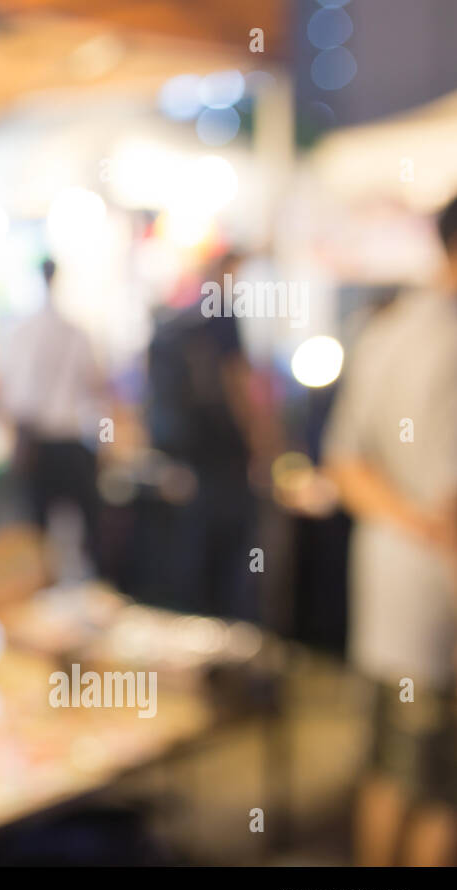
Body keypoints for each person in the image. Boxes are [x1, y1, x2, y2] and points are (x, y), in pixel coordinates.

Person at [322, 194, 457, 867]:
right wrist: (431, 527)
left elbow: (345, 463)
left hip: (397, 590)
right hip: (429, 596)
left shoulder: (388, 329)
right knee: (435, 789)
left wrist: (407, 520)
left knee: (396, 769)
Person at [144, 250, 268, 620]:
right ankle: (228, 636)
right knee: (234, 559)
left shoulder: (179, 321)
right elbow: (240, 385)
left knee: (196, 553)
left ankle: (197, 627)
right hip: (226, 458)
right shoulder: (222, 316)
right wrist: (264, 445)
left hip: (189, 459)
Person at [0, 258, 105, 570]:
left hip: (40, 443)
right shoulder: (75, 333)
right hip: (71, 443)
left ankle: (47, 587)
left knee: (37, 530)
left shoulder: (21, 333)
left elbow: (12, 396)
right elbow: (96, 384)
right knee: (84, 531)